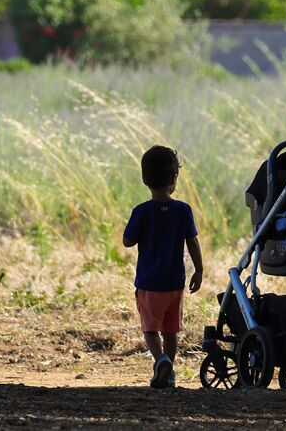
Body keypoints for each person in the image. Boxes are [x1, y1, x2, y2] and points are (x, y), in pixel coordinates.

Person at [123, 144, 204, 390]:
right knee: (171, 330)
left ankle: (161, 361)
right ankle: (169, 374)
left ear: (145, 179)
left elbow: (128, 241)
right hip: (175, 284)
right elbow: (193, 241)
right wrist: (199, 270)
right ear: (174, 178)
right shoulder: (183, 210)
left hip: (149, 283)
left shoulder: (142, 212)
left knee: (150, 328)